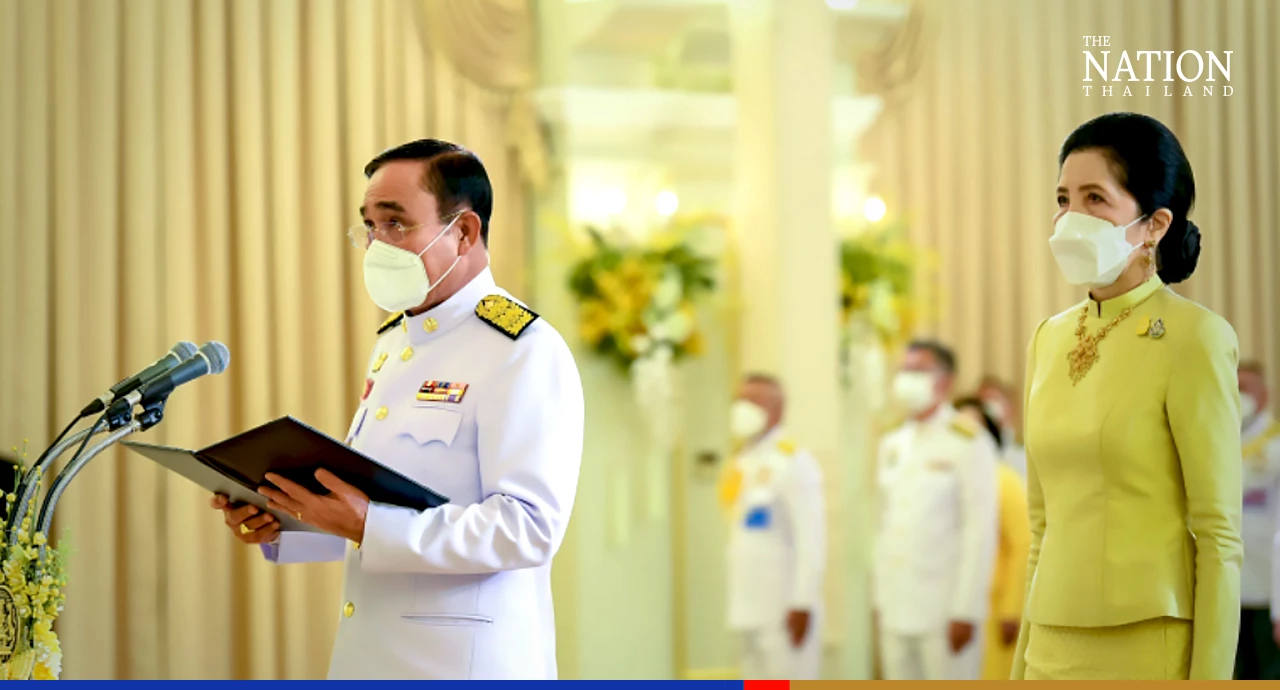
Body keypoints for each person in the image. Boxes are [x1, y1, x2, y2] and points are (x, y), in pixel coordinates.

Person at [208, 139, 585, 679]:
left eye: (396, 223)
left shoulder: (522, 348)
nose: (377, 243)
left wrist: (370, 525)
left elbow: (528, 527)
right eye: (369, 226)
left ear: (464, 232)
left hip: (463, 666)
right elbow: (382, 507)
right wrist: (284, 520)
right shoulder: (394, 342)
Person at [1012, 112, 1242, 680]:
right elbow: (1041, 529)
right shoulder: (1048, 339)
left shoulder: (1195, 337)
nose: (1071, 217)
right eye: (1063, 199)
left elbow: (1218, 537)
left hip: (1146, 642)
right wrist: (1019, 667)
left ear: (1154, 224)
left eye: (1095, 198)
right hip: (1048, 643)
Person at [873, 341, 998, 680]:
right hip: (897, 606)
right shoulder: (892, 444)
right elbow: (885, 526)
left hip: (944, 610)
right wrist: (881, 601)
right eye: (904, 370)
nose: (906, 378)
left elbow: (979, 530)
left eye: (918, 371)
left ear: (945, 381)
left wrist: (966, 610)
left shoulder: (968, 441)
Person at [719, 373, 825, 680]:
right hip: (747, 607)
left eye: (754, 400)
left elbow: (811, 538)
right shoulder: (741, 460)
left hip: (783, 610)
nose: (743, 407)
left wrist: (802, 602)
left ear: (778, 411)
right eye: (740, 400)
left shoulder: (794, 461)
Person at [954, 396, 1029, 680]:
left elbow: (1023, 545)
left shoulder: (1004, 480)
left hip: (994, 611)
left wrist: (1012, 610)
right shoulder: (950, 480)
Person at [1239, 360, 1280, 678]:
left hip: (1269, 590)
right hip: (1229, 589)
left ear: (1263, 396)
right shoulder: (1219, 442)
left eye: (1244, 389)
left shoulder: (1276, 445)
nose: (1238, 397)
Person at [975, 377, 1026, 479]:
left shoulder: (1021, 452)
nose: (988, 408)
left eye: (994, 400)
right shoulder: (972, 443)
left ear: (1009, 408)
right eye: (983, 403)